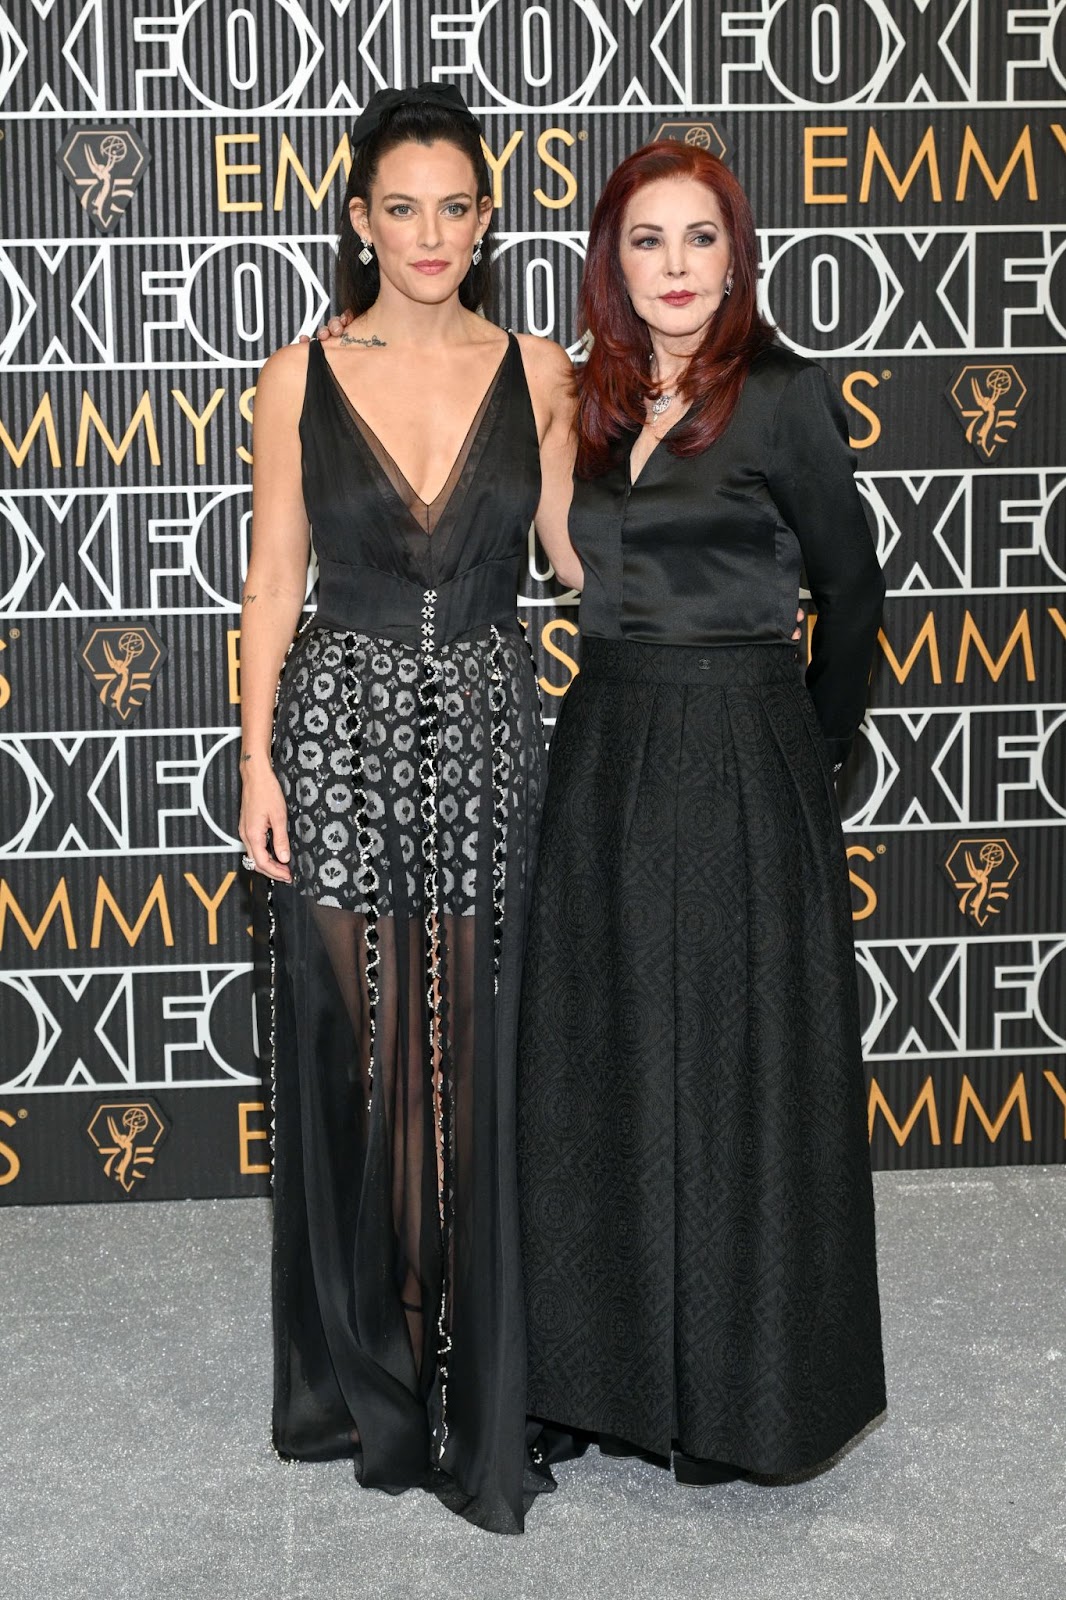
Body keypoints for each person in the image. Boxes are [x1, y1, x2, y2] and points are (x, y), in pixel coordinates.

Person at [516, 139, 887, 1484]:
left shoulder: (779, 396)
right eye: (644, 242)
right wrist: (546, 406)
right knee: (600, 1065)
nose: (672, 268)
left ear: (734, 256)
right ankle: (594, 1374)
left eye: (698, 240)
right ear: (610, 263)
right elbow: (563, 559)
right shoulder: (592, 402)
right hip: (605, 744)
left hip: (741, 743)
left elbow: (855, 593)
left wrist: (814, 748)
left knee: (737, 1077)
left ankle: (746, 1390)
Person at [237, 83, 579, 1535]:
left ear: (486, 217)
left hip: (491, 733)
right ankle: (373, 1370)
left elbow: (571, 552)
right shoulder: (296, 372)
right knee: (360, 1060)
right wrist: (255, 760)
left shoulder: (544, 368)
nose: (428, 233)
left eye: (456, 206)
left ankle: (458, 1383)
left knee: (456, 1068)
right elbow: (274, 575)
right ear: (357, 215)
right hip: (337, 734)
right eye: (401, 206)